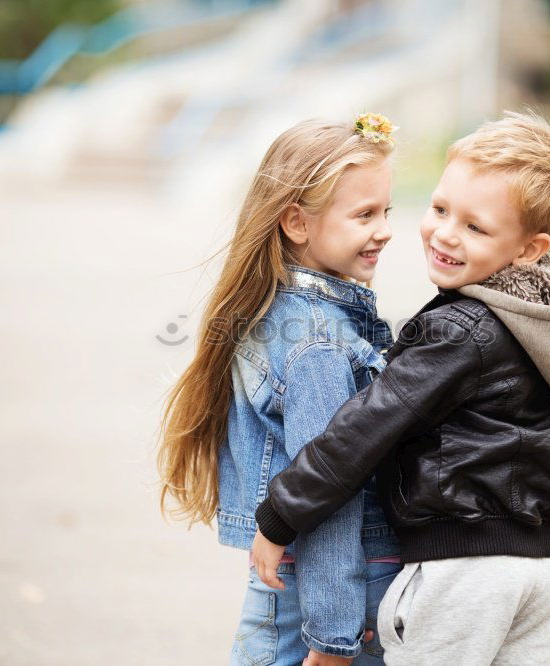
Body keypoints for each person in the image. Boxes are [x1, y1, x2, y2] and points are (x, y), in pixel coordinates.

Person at [252, 111, 550, 665]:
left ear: (529, 249)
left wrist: (281, 514)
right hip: (534, 571)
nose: (445, 233)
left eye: (476, 227)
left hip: (461, 570)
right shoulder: (541, 322)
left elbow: (362, 429)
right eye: (441, 209)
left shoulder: (461, 331)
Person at [157, 114, 404, 665]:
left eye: (386, 211)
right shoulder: (317, 344)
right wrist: (334, 640)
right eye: (365, 214)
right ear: (297, 223)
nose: (384, 229)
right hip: (329, 591)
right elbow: (330, 491)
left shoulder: (289, 313)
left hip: (307, 585)